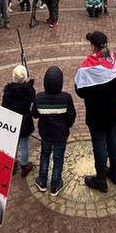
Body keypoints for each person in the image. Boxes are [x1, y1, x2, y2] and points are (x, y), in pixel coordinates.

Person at [74, 31, 116, 193]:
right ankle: (115, 174)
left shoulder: (88, 67)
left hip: (97, 115)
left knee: (99, 143)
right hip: (114, 111)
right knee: (112, 137)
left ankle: (101, 179)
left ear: (93, 47)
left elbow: (80, 91)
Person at [32, 65, 76, 196]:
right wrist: (67, 126)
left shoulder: (39, 98)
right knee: (58, 158)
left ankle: (42, 181)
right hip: (61, 135)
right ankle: (55, 185)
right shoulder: (66, 98)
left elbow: (34, 114)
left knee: (44, 155)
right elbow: (71, 115)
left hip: (46, 134)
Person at [1, 65, 35, 177]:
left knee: (12, 145)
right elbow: (32, 100)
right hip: (25, 122)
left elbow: (4, 107)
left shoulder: (7, 93)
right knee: (24, 145)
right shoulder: (30, 91)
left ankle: (13, 164)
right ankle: (24, 166)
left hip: (12, 121)